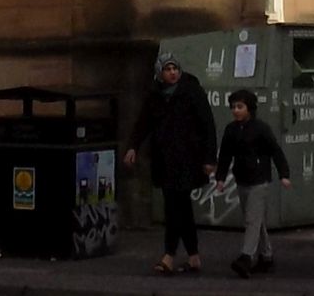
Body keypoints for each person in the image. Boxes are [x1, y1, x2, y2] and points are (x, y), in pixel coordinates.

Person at [123, 53, 216, 274]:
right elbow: (143, 122)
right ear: (160, 72)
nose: (173, 72)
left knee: (175, 207)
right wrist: (133, 146)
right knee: (181, 208)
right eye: (168, 69)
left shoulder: (191, 91)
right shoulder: (155, 95)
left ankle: (169, 255)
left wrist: (210, 158)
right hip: (165, 159)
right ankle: (193, 257)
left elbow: (207, 125)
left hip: (187, 159)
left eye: (175, 68)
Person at [214, 89, 292, 277]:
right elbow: (225, 154)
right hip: (242, 180)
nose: (236, 111)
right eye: (233, 107)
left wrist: (284, 174)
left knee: (252, 219)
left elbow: (275, 151)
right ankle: (266, 257)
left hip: (259, 180)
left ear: (250, 108)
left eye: (240, 107)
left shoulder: (261, 128)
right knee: (256, 221)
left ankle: (246, 257)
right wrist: (220, 178)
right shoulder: (231, 130)